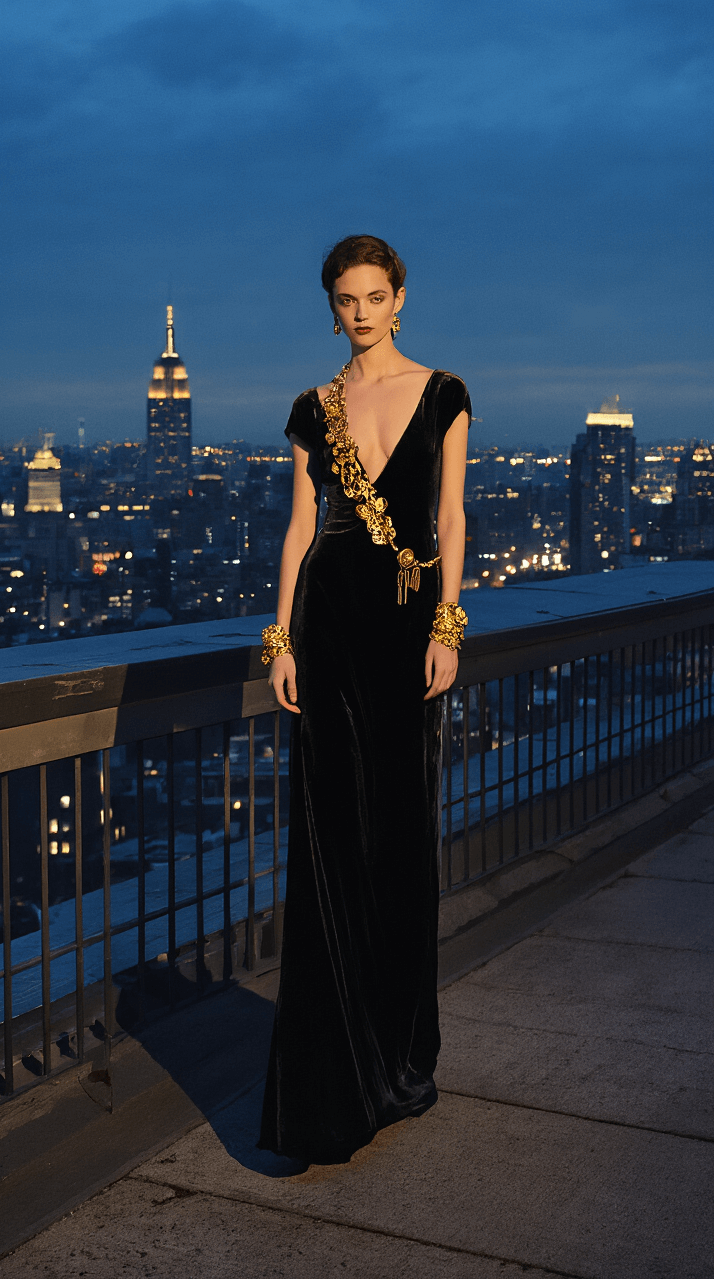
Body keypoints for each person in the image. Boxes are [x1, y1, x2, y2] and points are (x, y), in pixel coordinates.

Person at [257, 234, 471, 1164]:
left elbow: (451, 517)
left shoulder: (444, 393)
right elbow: (300, 528)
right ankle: (330, 1084)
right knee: (329, 838)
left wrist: (447, 628)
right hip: (330, 629)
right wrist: (281, 642)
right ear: (331, 306)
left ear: (400, 298)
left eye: (374, 296)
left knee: (401, 833)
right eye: (346, 300)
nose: (360, 313)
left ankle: (400, 1056)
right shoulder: (314, 409)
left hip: (407, 629)